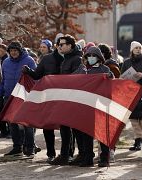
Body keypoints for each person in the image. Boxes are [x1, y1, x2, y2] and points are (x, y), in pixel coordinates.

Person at [72, 46, 114, 167]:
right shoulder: (82, 69)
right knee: (86, 133)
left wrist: (110, 77)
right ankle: (88, 157)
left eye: (93, 56)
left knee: (102, 133)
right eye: (88, 56)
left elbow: (111, 82)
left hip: (100, 105)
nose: (91, 58)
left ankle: (104, 158)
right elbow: (72, 80)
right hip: (85, 106)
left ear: (99, 57)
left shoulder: (104, 69)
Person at [0, 41, 37, 159]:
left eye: (15, 50)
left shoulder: (29, 60)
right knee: (12, 123)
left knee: (27, 123)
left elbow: (35, 77)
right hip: (9, 96)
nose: (13, 53)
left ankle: (30, 148)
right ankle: (17, 148)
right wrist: (0, 93)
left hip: (24, 96)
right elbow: (2, 79)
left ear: (20, 50)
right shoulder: (5, 62)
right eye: (11, 51)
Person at [49, 34, 82, 165]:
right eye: (58, 44)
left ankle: (79, 154)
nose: (59, 47)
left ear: (70, 45)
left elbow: (76, 79)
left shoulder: (77, 59)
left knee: (75, 128)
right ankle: (65, 154)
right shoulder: (66, 59)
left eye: (62, 44)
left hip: (73, 98)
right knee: (64, 127)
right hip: (65, 97)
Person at [121, 41, 142, 152]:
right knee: (133, 118)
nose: (138, 49)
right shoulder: (126, 62)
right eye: (136, 48)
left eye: (139, 47)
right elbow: (122, 77)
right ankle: (138, 140)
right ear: (132, 49)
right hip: (130, 92)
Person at [0, 43, 9, 138]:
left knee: (5, 112)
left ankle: (8, 131)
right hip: (0, 90)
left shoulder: (6, 60)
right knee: (0, 112)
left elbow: (2, 78)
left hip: (3, 90)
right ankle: (3, 131)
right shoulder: (0, 60)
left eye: (1, 50)